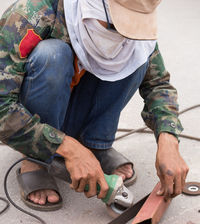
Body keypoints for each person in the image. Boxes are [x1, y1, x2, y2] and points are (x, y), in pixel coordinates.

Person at [0, 0, 188, 211]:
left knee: (136, 54)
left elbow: (158, 84)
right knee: (51, 54)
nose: (122, 36)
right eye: (116, 25)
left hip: (76, 110)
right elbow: (2, 107)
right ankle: (36, 160)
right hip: (37, 113)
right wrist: (68, 148)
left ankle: (94, 143)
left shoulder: (135, 35)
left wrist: (168, 140)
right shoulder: (31, 15)